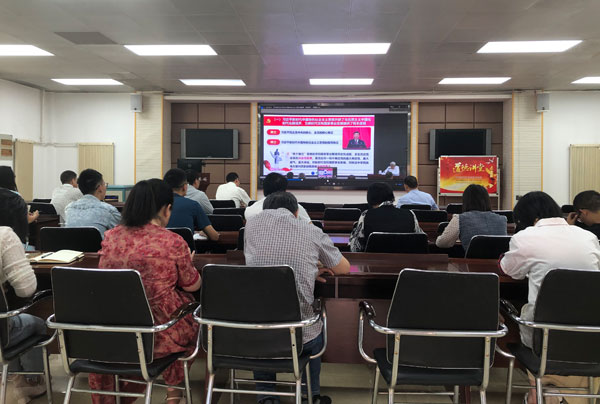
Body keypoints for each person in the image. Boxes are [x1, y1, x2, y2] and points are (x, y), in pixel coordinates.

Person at [90, 179, 201, 404]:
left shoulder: (111, 237)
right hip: (159, 329)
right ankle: (174, 393)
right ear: (166, 209)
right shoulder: (173, 241)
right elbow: (192, 285)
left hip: (114, 326)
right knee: (192, 318)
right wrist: (187, 263)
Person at [245, 191, 350, 404]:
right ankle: (310, 394)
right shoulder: (312, 231)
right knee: (314, 326)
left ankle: (266, 395)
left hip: (256, 331)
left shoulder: (251, 226)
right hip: (300, 335)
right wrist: (310, 269)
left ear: (265, 210)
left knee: (262, 324)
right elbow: (343, 268)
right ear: (296, 213)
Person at [500, 191, 600, 404]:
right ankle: (562, 391)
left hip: (545, 334)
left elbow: (511, 271)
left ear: (529, 219)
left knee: (515, 313)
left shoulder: (526, 237)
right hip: (590, 334)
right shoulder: (588, 237)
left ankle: (540, 388)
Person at [0, 192, 47, 404]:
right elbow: (26, 290)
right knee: (38, 322)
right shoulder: (5, 236)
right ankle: (30, 381)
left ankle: (14, 379)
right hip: (2, 330)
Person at [349, 182, 424, 252]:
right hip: (405, 260)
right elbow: (421, 240)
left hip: (374, 261)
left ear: (370, 198)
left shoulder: (365, 215)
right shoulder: (410, 214)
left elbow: (354, 248)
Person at [436, 184, 507, 252]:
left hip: (472, 260)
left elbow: (442, 243)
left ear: (466, 201)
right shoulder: (502, 220)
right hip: (499, 260)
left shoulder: (459, 218)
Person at [163, 168, 219, 241]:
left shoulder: (157, 205)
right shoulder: (193, 205)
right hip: (186, 248)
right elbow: (214, 237)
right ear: (184, 187)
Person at [65, 169, 121, 238]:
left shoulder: (69, 209)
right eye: (104, 184)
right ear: (100, 188)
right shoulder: (108, 210)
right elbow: (121, 234)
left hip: (71, 245)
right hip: (99, 245)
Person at [244, 173, 311, 222]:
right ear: (284, 190)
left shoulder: (250, 210)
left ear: (264, 190)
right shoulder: (296, 207)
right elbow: (310, 228)